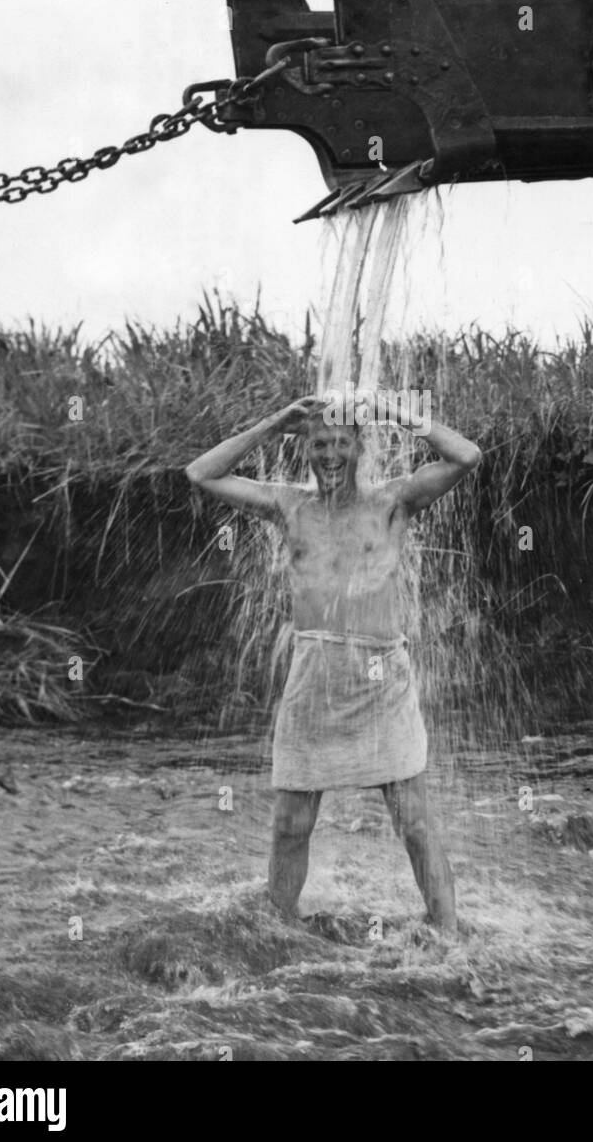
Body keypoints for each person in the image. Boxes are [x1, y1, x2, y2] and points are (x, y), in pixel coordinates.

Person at [185, 392, 481, 932]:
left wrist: (399, 415)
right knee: (290, 824)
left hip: (379, 679)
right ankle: (280, 931)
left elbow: (466, 456)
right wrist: (274, 422)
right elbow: (202, 473)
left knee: (414, 821)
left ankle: (449, 936)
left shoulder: (393, 501)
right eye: (319, 443)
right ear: (306, 449)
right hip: (313, 677)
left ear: (359, 448)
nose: (330, 454)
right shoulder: (287, 505)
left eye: (341, 442)